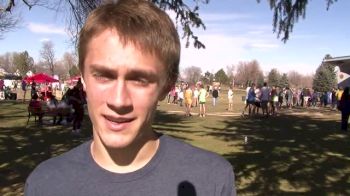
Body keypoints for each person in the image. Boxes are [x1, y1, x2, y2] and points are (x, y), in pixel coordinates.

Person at [25, 1, 236, 195]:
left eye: (140, 80)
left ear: (166, 87)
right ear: (84, 79)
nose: (118, 100)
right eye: (104, 76)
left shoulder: (211, 181)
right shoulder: (45, 184)